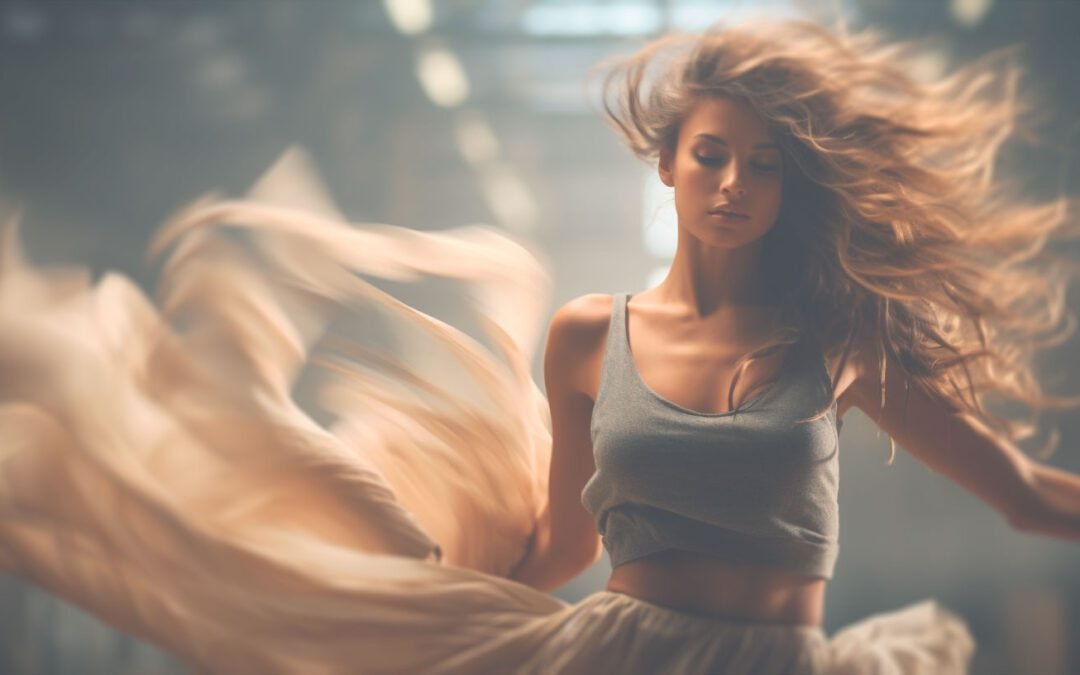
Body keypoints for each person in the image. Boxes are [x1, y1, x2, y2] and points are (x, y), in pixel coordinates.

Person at [0, 16, 1078, 675]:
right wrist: (420, 595)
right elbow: (564, 550)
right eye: (712, 155)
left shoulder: (840, 342)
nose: (737, 184)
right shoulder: (583, 339)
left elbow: (1025, 492)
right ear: (669, 165)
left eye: (766, 164)